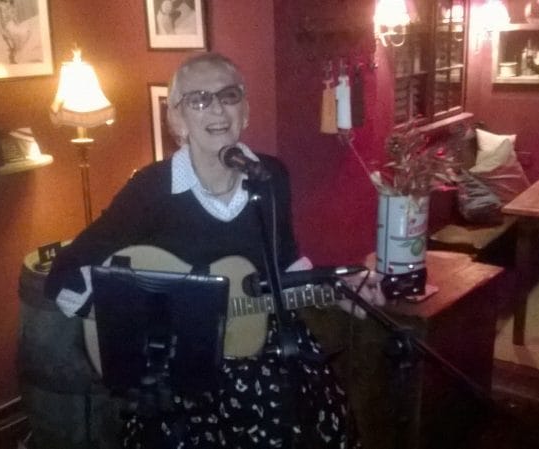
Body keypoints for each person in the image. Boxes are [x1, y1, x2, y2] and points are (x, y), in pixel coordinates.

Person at [45, 52, 385, 449]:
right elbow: (64, 273)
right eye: (199, 100)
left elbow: (285, 262)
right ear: (177, 120)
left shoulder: (269, 176)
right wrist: (130, 321)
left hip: (263, 347)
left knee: (308, 412)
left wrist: (337, 289)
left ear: (245, 111)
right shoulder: (151, 190)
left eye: (228, 96)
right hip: (180, 370)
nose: (218, 109)